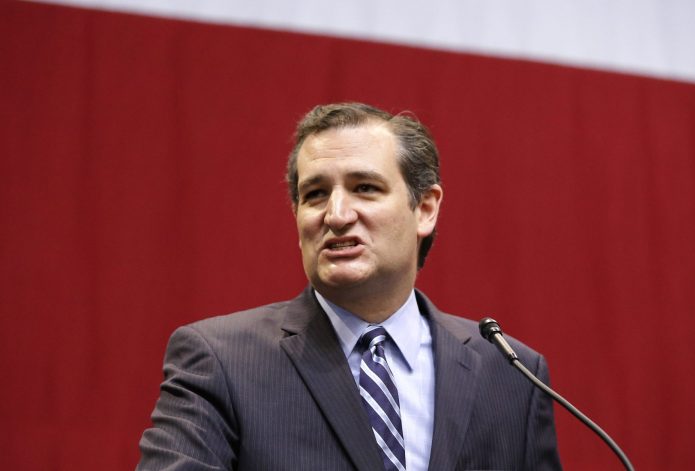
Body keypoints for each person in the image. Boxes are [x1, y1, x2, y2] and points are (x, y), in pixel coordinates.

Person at [137, 102, 562, 470]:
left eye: (364, 188)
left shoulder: (512, 375)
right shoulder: (221, 362)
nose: (337, 214)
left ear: (425, 209)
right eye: (316, 194)